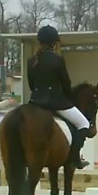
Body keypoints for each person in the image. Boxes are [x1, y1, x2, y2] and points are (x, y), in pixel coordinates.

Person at [27, 25, 90, 169]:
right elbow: (66, 84)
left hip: (35, 103)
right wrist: (69, 98)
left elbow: (31, 85)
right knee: (84, 124)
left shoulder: (31, 61)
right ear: (54, 43)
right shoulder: (58, 60)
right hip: (55, 102)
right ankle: (74, 158)